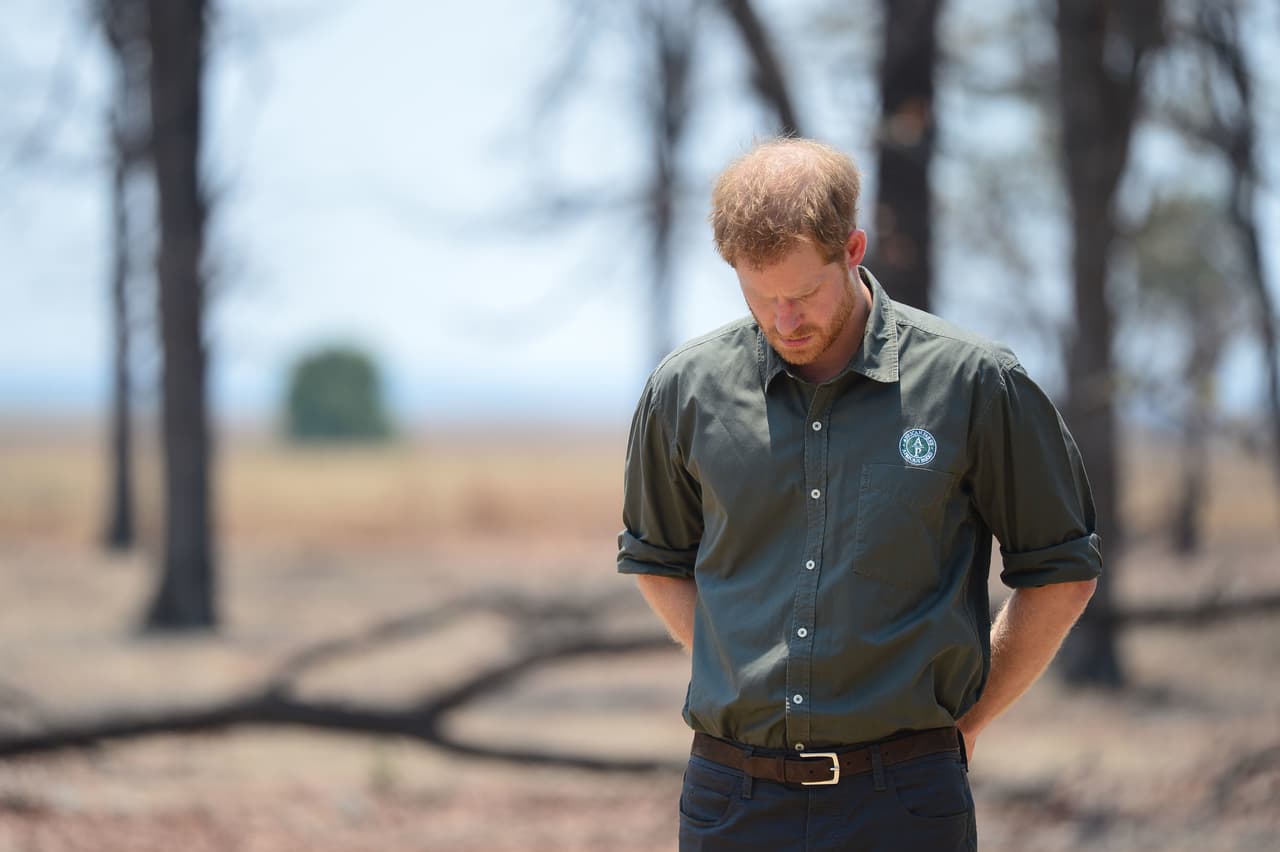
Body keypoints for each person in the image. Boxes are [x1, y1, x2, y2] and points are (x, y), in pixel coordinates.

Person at [617, 137, 1101, 852]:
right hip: (730, 801)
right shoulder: (684, 391)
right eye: (760, 295)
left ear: (852, 248)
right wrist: (745, 664)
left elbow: (1060, 571)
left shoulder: (974, 384)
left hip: (905, 801)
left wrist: (964, 724)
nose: (784, 320)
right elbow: (657, 560)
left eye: (804, 293)